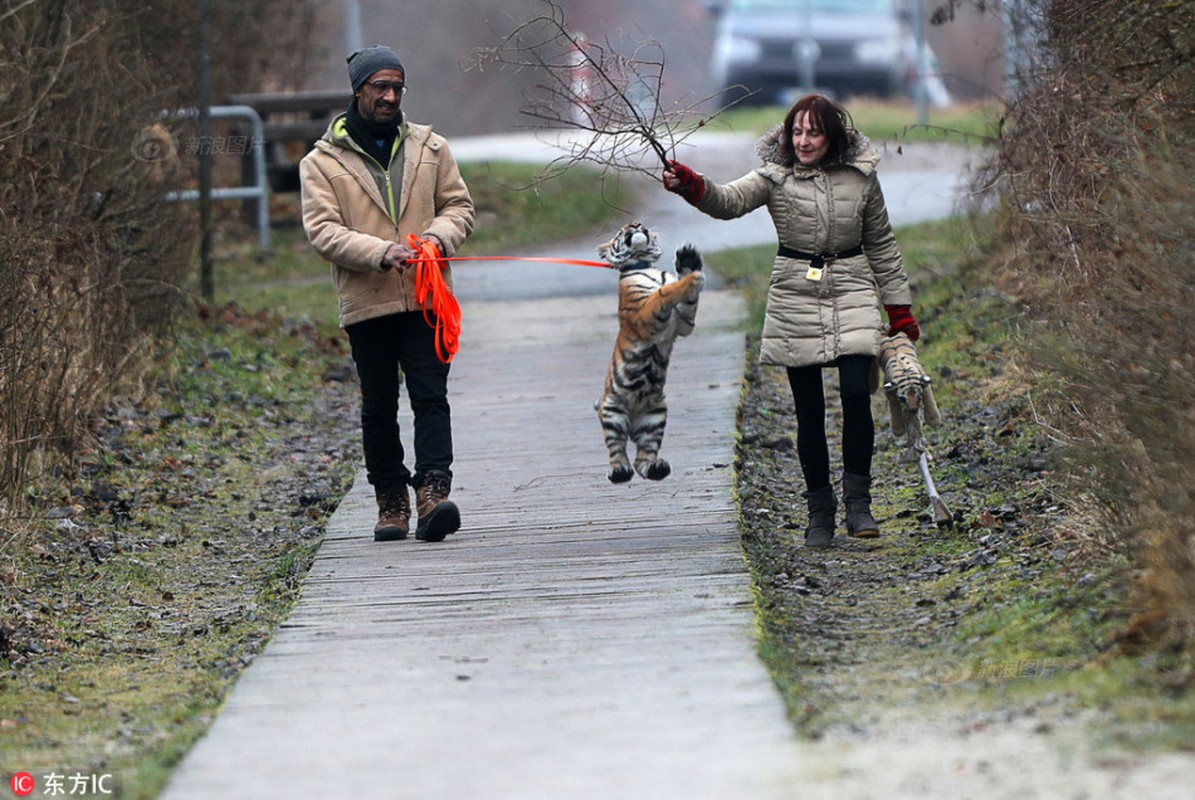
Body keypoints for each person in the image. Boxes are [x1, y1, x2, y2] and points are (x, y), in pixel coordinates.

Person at [663, 94, 920, 548]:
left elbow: (881, 242)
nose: (802, 141)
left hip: (853, 286)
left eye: (813, 132)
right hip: (795, 291)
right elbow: (728, 201)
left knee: (858, 394)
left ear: (832, 136)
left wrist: (898, 308)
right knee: (808, 411)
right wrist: (690, 184)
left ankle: (859, 505)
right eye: (795, 132)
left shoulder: (862, 177)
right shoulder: (773, 176)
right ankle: (819, 513)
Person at [300, 45, 475, 543]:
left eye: (398, 87)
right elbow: (322, 231)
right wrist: (380, 252)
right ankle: (391, 501)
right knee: (378, 404)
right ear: (359, 90)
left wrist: (438, 239)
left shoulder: (432, 148)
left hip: (427, 297)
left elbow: (459, 206)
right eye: (381, 87)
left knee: (430, 396)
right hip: (367, 300)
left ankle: (434, 494)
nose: (391, 96)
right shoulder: (320, 162)